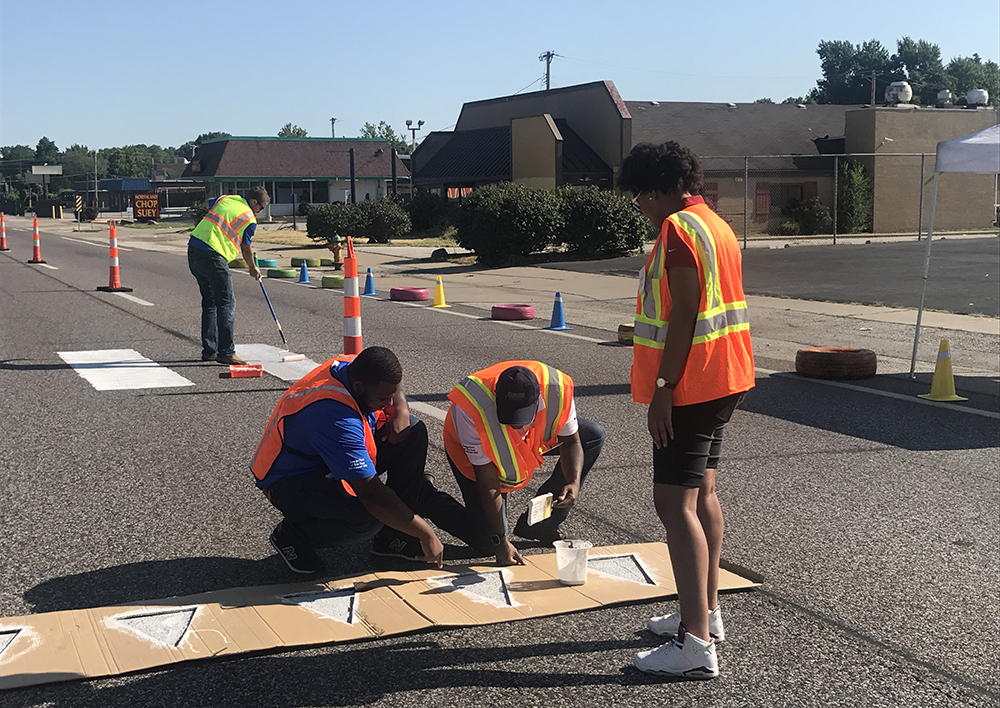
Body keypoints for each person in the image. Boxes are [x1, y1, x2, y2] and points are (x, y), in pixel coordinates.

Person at [619, 142, 755, 679]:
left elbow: (683, 316)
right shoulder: (714, 223)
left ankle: (695, 643)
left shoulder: (678, 230)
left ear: (656, 190)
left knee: (675, 506)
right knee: (704, 496)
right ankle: (708, 611)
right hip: (727, 374)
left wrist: (664, 387)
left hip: (693, 383)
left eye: (639, 197)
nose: (639, 207)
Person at [252, 346, 477, 574]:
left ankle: (392, 537)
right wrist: (424, 532)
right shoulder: (335, 416)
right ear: (359, 388)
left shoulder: (354, 367)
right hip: (291, 480)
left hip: (327, 458)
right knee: (368, 518)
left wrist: (401, 409)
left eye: (392, 396)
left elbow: (389, 386)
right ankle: (292, 535)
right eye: (383, 398)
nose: (388, 403)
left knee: (413, 430)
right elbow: (371, 493)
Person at [443, 361, 606, 566]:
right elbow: (488, 481)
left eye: (520, 419)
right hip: (468, 452)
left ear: (538, 401)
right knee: (487, 542)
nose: (516, 426)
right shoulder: (472, 411)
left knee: (592, 435)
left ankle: (541, 524)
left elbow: (572, 441)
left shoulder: (557, 392)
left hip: (528, 443)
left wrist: (573, 481)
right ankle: (425, 497)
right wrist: (501, 540)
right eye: (509, 418)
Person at [188, 186, 268, 365]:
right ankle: (226, 352)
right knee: (226, 303)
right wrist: (253, 268)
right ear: (254, 202)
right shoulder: (249, 218)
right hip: (214, 255)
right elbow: (246, 248)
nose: (260, 211)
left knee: (209, 302)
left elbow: (211, 206)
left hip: (194, 250)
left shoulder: (226, 198)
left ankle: (210, 351)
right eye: (261, 207)